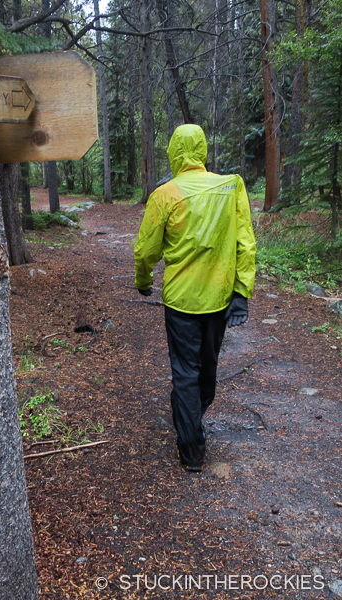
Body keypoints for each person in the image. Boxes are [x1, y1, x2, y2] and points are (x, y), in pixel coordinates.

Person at [134, 124, 256, 472]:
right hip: (219, 301)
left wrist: (143, 281)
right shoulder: (230, 186)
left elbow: (146, 251)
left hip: (181, 302)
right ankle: (192, 426)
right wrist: (241, 293)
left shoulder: (166, 195)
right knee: (207, 367)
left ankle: (190, 445)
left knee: (186, 373)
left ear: (173, 151)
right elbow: (245, 243)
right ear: (202, 150)